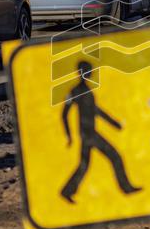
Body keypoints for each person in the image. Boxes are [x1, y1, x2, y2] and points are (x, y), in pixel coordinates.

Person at [59, 62, 142, 203]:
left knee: (84, 165)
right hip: (88, 133)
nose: (90, 73)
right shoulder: (76, 91)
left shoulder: (86, 91)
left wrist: (113, 123)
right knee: (114, 156)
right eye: (87, 71)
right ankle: (126, 188)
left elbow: (96, 110)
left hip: (89, 132)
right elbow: (64, 114)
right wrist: (68, 135)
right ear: (81, 72)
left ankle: (67, 191)